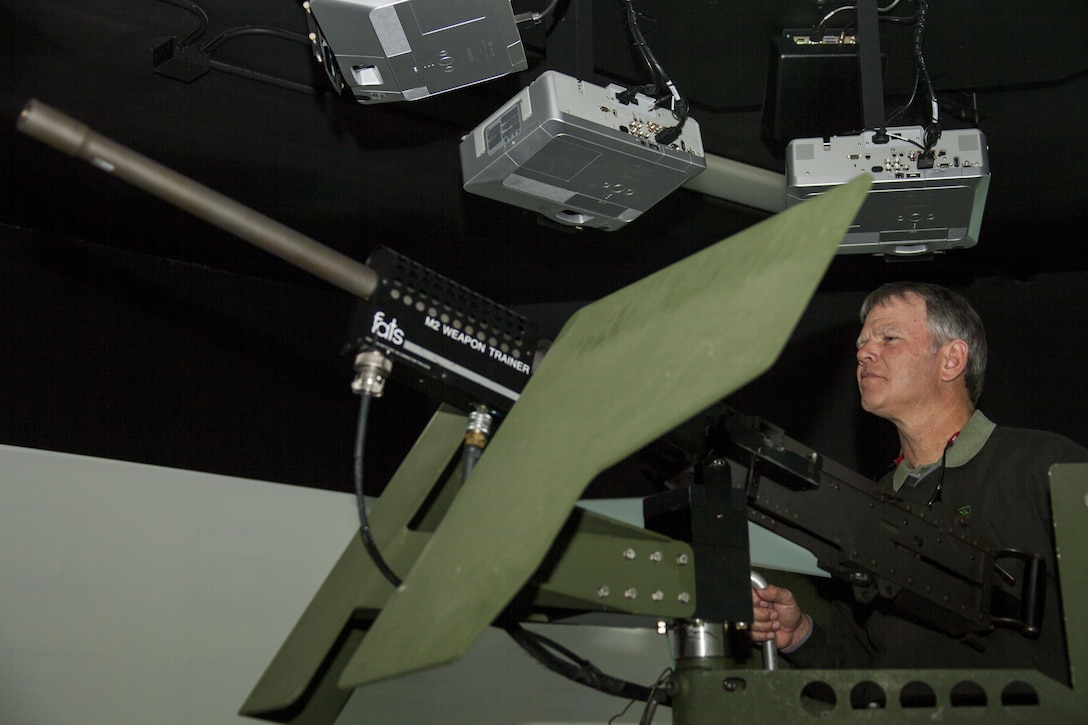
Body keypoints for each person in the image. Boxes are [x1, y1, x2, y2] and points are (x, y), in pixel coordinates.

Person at [750, 281, 1088, 686]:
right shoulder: (868, 505)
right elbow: (866, 669)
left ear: (950, 360)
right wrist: (800, 634)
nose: (863, 353)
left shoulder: (1042, 465)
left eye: (888, 337)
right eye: (861, 343)